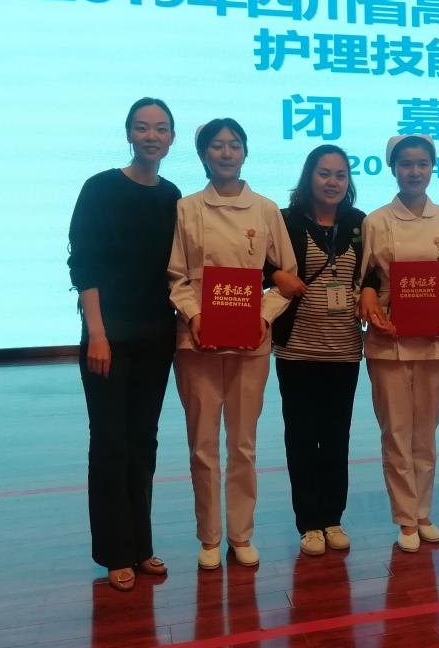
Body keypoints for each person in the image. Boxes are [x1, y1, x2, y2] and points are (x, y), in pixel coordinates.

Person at [167, 118, 296, 571]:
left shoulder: (265, 209)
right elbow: (176, 277)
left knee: (243, 443)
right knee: (202, 445)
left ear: (245, 152)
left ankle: (241, 535)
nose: (226, 153)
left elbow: (286, 277)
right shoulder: (186, 209)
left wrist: (262, 315)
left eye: (234, 145)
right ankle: (209, 536)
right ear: (203, 154)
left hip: (250, 341)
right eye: (217, 146)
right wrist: (195, 314)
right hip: (197, 340)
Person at [67, 97, 181, 592]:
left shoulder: (172, 195)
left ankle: (141, 546)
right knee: (110, 441)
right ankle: (115, 552)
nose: (151, 136)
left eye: (160, 128)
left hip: (157, 336)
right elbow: (83, 263)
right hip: (107, 337)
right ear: (129, 134)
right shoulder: (100, 187)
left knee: (143, 440)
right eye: (142, 127)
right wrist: (97, 332)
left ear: (171, 138)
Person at [358, 134, 439, 552]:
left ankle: (423, 511)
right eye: (406, 164)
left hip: (435, 340)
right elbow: (365, 278)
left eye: (422, 164)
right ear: (393, 168)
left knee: (426, 431)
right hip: (390, 340)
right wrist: (371, 305)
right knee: (396, 431)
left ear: (432, 168)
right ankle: (405, 518)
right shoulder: (376, 221)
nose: (414, 172)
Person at [268, 145, 366, 556]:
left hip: (344, 349)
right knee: (302, 438)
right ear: (309, 176)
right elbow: (260, 264)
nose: (332, 182)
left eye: (340, 175)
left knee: (337, 437)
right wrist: (276, 274)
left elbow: (373, 273)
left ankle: (332, 518)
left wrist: (371, 292)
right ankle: (308, 522)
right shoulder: (286, 220)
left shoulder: (359, 223)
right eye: (324, 173)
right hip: (297, 350)